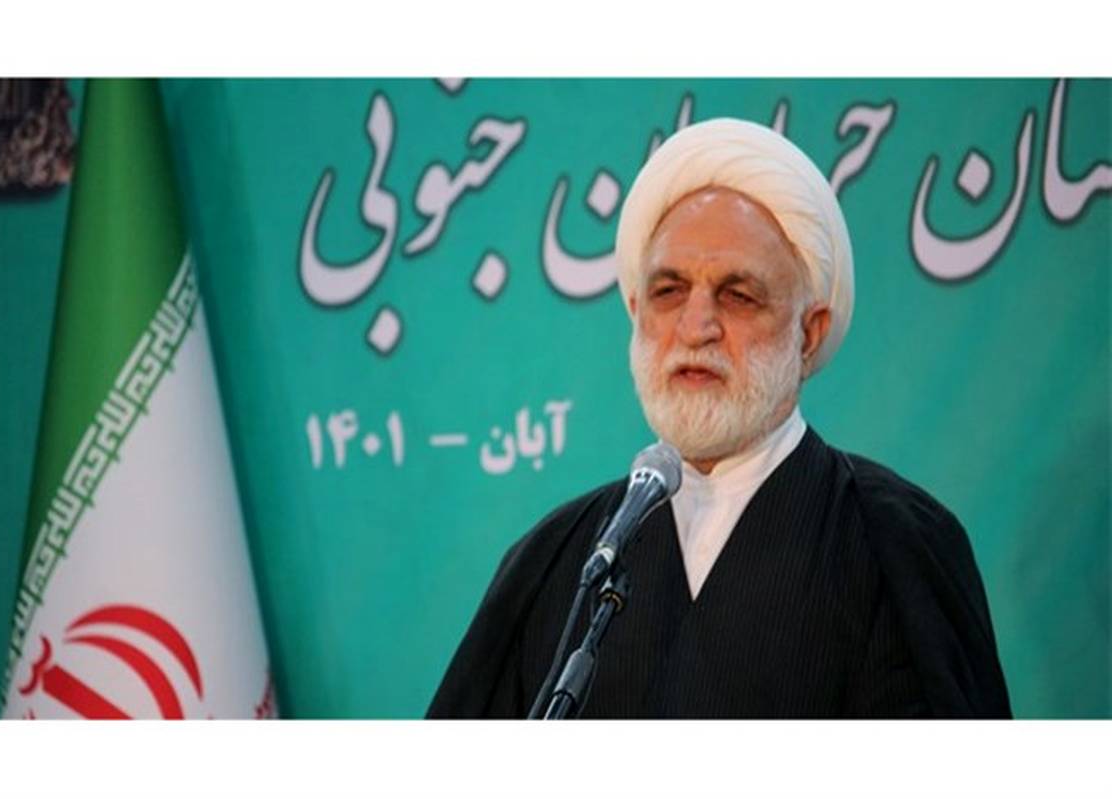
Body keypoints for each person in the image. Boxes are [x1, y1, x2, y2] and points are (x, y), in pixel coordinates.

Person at [427, 118, 1012, 719]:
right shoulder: (556, 560)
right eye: (669, 292)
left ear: (808, 334)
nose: (696, 326)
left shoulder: (898, 545)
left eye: (738, 295)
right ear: (636, 311)